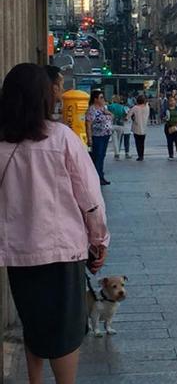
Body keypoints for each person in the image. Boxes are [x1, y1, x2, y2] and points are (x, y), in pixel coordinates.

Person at [0, 63, 110, 384]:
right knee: (65, 331)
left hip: (18, 253)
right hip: (61, 251)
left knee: (33, 320)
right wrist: (99, 242)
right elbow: (90, 200)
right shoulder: (62, 138)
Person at [85, 90, 113, 186]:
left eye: (103, 97)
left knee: (102, 156)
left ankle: (101, 176)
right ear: (95, 99)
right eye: (101, 97)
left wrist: (106, 112)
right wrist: (89, 138)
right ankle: (97, 177)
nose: (103, 99)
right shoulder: (92, 110)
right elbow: (88, 124)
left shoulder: (103, 108)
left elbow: (112, 116)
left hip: (106, 135)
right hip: (97, 136)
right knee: (98, 156)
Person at [130, 95, 150, 161]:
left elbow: (128, 116)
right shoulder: (147, 107)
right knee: (142, 142)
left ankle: (140, 156)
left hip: (136, 127)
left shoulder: (135, 108)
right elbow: (146, 103)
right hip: (144, 128)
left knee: (138, 143)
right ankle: (142, 155)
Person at [107, 96, 127, 160]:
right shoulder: (122, 107)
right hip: (121, 125)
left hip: (112, 124)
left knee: (114, 139)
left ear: (113, 100)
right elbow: (125, 115)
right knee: (119, 139)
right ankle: (118, 152)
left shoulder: (110, 106)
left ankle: (116, 153)